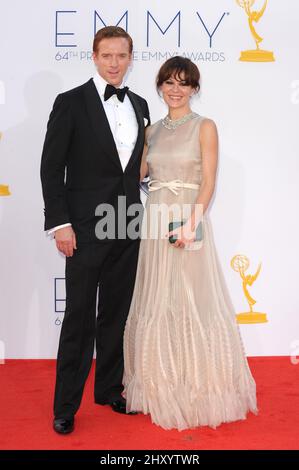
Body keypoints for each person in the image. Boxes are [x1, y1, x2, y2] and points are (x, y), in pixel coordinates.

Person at [123, 56, 258, 431]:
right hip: (155, 220)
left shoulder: (205, 127)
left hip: (188, 218)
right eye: (169, 82)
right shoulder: (151, 132)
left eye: (184, 83)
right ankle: (159, 385)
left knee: (192, 299)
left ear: (194, 89)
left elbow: (209, 182)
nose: (176, 89)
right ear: (160, 87)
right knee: (159, 299)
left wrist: (190, 225)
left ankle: (200, 388)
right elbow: (139, 174)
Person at [40, 26, 150, 434]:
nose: (115, 63)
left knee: (117, 314)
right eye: (107, 55)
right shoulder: (70, 103)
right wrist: (61, 224)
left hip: (128, 223)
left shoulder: (140, 105)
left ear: (130, 58)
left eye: (122, 56)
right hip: (84, 228)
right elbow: (51, 168)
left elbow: (135, 170)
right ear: (94, 56)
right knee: (80, 317)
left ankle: (108, 389)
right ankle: (66, 405)